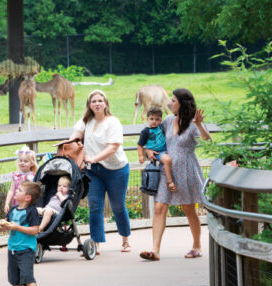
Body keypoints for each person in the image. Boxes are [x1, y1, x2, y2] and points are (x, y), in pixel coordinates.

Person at [139, 88, 211, 261]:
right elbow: (153, 138)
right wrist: (149, 151)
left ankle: (197, 246)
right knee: (159, 207)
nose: (170, 104)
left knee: (188, 208)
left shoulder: (194, 122)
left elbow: (207, 140)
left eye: (173, 101)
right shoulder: (168, 120)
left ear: (182, 103)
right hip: (167, 170)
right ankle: (155, 251)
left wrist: (200, 124)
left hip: (186, 169)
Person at [68, 90, 131, 254]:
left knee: (117, 206)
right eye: (94, 101)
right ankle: (95, 243)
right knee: (95, 206)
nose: (97, 104)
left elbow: (113, 147)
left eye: (100, 101)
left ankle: (125, 239)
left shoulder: (113, 122)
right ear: (89, 104)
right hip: (93, 171)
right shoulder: (86, 121)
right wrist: (75, 144)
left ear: (106, 103)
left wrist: (94, 158)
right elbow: (75, 135)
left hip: (116, 169)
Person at [0, 180, 43, 286]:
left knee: (28, 276)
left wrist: (16, 227)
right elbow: (7, 227)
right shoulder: (12, 210)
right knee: (14, 279)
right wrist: (2, 224)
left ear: (27, 197)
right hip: (12, 249)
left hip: (26, 249)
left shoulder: (31, 211)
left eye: (19, 191)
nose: (15, 192)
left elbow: (35, 230)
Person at [137, 106, 175, 191]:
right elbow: (140, 145)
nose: (154, 121)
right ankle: (170, 181)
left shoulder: (161, 127)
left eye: (157, 119)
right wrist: (141, 156)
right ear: (147, 119)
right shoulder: (146, 131)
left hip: (166, 149)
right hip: (157, 153)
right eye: (152, 119)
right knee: (167, 160)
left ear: (161, 120)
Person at [4, 146, 37, 214]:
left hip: (28, 205)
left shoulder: (32, 177)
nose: (22, 163)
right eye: (21, 160)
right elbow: (11, 190)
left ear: (32, 163)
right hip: (16, 204)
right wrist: (7, 203)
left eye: (25, 161)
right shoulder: (16, 176)